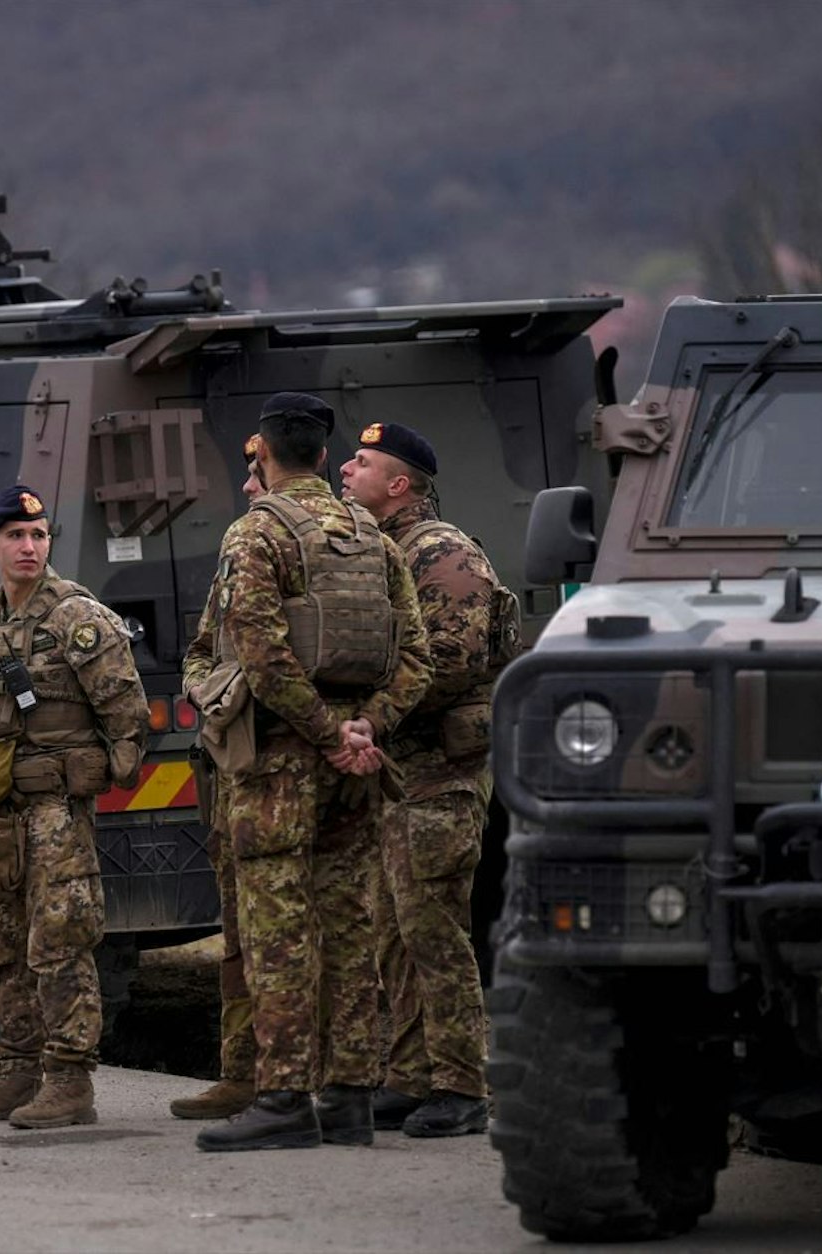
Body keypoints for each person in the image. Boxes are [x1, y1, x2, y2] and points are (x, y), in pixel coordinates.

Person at [195, 393, 430, 1152]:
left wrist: (327, 733)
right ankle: (351, 1100)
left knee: (279, 931)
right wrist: (368, 728)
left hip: (278, 766)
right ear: (326, 457)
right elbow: (416, 658)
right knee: (350, 927)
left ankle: (286, 1097)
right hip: (353, 765)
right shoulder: (374, 537)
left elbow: (260, 656)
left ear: (260, 451)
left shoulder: (256, 532)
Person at [0, 485, 149, 1130]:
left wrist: (88, 776)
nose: (28, 547)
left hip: (55, 810)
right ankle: (17, 1071)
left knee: (60, 941)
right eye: (15, 537)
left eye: (38, 536)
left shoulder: (77, 617)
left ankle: (69, 1081)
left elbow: (127, 714)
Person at [339, 421, 505, 1137]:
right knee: (392, 931)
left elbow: (451, 661)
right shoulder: (383, 551)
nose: (347, 468)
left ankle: (464, 1086)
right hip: (398, 776)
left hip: (441, 773)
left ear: (400, 483)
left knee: (434, 930)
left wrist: (369, 713)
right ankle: (409, 1077)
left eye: (364, 461)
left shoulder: (442, 553)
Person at [169, 435, 268, 1121]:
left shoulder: (331, 544)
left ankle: (317, 1079)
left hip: (285, 768)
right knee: (240, 926)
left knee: (296, 930)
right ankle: (243, 1072)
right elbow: (205, 646)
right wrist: (211, 693)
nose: (247, 487)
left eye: (254, 473)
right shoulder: (241, 545)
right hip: (232, 762)